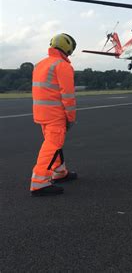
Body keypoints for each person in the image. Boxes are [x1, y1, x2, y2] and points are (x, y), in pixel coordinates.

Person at [30, 33, 78, 196]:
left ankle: (60, 172)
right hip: (55, 114)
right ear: (68, 48)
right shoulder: (62, 65)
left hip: (41, 113)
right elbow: (68, 96)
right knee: (52, 145)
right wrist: (70, 118)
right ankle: (39, 183)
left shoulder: (40, 64)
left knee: (55, 143)